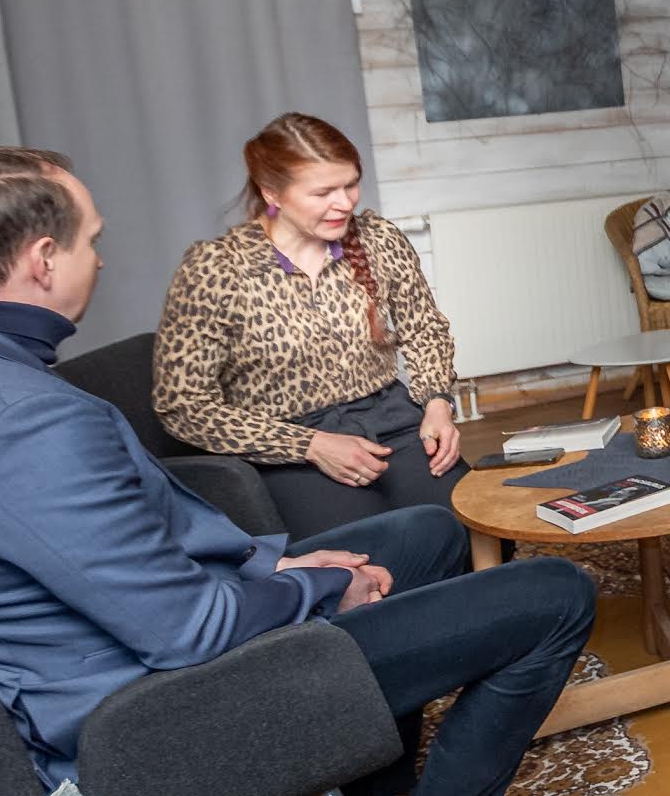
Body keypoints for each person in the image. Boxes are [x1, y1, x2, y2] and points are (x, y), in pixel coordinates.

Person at [0, 148, 598, 796]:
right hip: (159, 715)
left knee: (425, 534)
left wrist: (279, 572)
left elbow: (104, 559)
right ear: (41, 261)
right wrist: (325, 584)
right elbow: (188, 632)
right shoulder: (21, 423)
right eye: (89, 240)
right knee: (553, 594)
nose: (102, 257)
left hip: (105, 661)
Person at [155, 114, 467, 540]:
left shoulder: (379, 239)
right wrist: (309, 446)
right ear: (272, 193)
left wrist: (437, 403)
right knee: (378, 555)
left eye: (350, 184)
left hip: (392, 419)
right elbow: (183, 405)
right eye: (323, 192)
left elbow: (425, 327)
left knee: (472, 526)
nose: (345, 203)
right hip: (289, 445)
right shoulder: (216, 267)